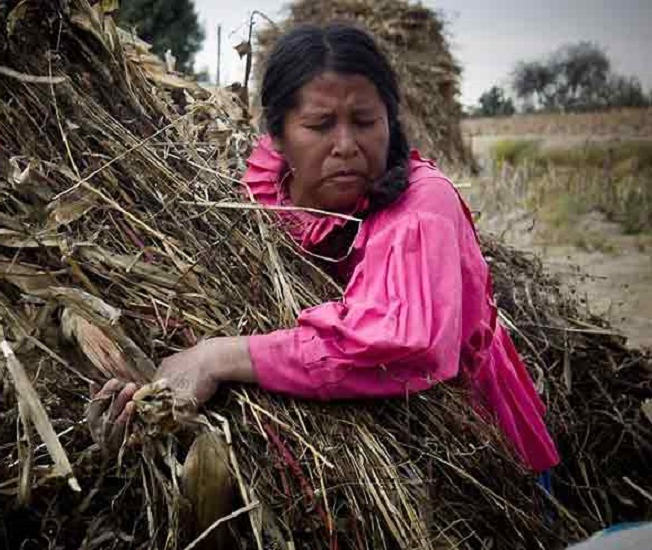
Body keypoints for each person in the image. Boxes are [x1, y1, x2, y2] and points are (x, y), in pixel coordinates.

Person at [88, 22, 559, 473]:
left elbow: (402, 343)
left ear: (389, 123)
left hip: (470, 452)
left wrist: (216, 357)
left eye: (365, 121)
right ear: (277, 135)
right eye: (319, 125)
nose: (347, 145)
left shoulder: (421, 207)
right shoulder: (262, 196)